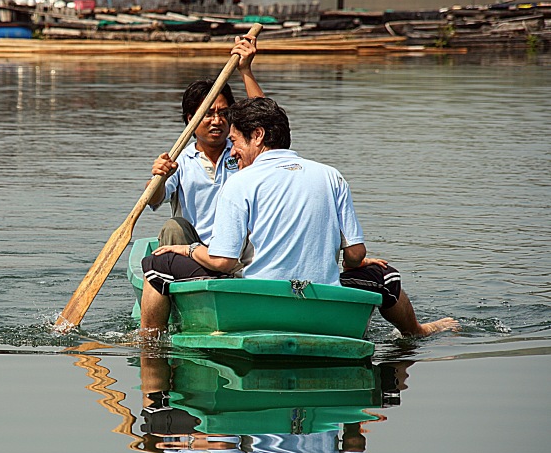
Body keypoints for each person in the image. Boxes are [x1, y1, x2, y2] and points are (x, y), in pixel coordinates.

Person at [141, 97, 459, 338]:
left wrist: (187, 250)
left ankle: (150, 341)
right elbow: (355, 255)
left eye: (235, 141)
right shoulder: (331, 175)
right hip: (321, 300)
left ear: (258, 136)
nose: (233, 151)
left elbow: (224, 263)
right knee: (385, 275)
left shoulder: (240, 182)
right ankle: (417, 331)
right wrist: (353, 265)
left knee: (156, 264)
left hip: (260, 302)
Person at [146, 32, 264, 252]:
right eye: (208, 114)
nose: (217, 121)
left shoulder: (243, 153)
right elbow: (153, 200)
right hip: (192, 252)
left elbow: (265, 119)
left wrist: (245, 70)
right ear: (191, 119)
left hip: (237, 249)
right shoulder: (180, 159)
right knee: (173, 227)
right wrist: (160, 178)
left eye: (223, 113)